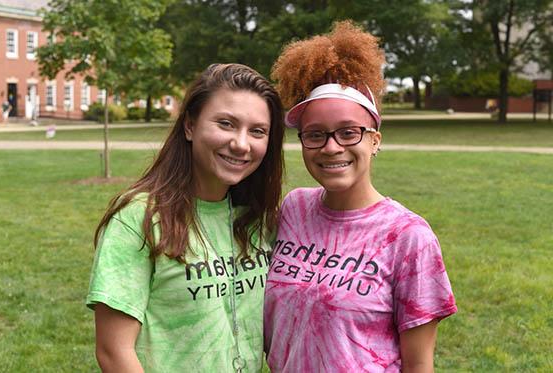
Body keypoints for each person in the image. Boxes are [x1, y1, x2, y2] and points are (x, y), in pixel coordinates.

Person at [264, 21, 457, 372]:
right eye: (315, 134)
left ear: (375, 140)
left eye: (348, 132)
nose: (331, 147)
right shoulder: (294, 208)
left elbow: (418, 366)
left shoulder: (409, 237)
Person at [86, 63, 285, 372]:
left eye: (257, 131)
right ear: (190, 126)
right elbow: (114, 352)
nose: (241, 143)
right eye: (226, 124)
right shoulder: (139, 218)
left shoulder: (258, 220)